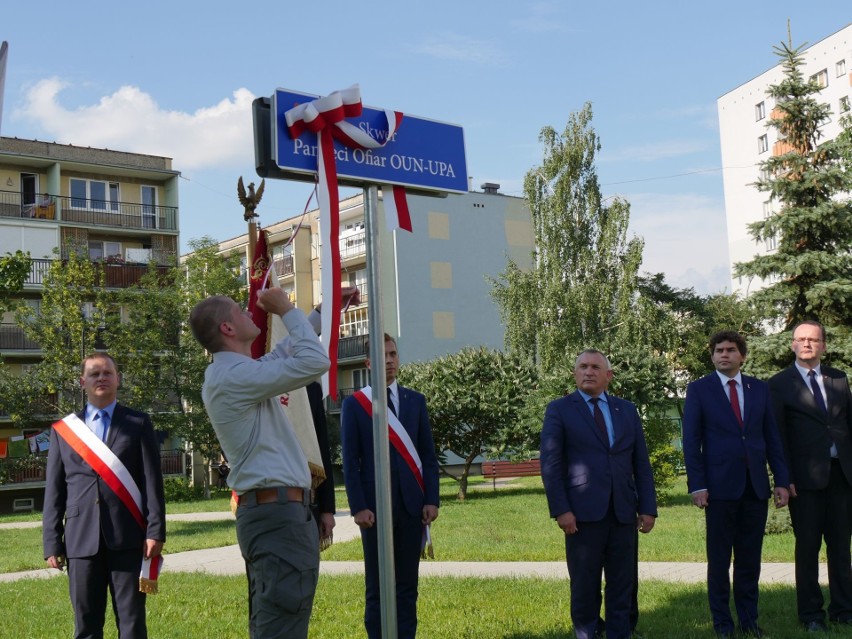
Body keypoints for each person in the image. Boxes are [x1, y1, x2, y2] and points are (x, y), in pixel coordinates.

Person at [189, 288, 329, 639]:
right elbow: (314, 362)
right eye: (240, 311)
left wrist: (320, 313)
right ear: (228, 329)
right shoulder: (233, 377)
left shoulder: (234, 373)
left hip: (274, 514)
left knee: (276, 619)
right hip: (278, 518)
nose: (250, 313)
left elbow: (283, 352)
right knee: (282, 624)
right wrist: (284, 309)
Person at [43, 352, 166, 639]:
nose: (102, 378)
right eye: (95, 374)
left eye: (107, 373)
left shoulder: (137, 423)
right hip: (80, 540)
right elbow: (54, 489)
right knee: (86, 624)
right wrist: (51, 540)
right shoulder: (64, 430)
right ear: (82, 381)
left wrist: (156, 530)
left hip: (128, 538)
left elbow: (152, 481)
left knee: (132, 623)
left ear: (118, 379)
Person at [540, 349, 657, 639]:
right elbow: (551, 465)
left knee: (622, 582)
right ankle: (586, 632)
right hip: (581, 513)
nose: (588, 372)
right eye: (582, 367)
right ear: (574, 373)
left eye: (595, 367)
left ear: (609, 376)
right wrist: (561, 509)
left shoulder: (626, 410)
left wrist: (648, 507)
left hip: (622, 511)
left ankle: (620, 633)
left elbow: (640, 462)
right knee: (584, 582)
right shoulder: (560, 409)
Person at [682, 330, 790, 638]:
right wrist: (697, 484)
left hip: (754, 487)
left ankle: (749, 622)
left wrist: (781, 480)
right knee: (719, 562)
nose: (723, 354)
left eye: (730, 349)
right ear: (713, 356)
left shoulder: (759, 389)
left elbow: (772, 438)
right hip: (717, 488)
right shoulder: (699, 389)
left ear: (741, 355)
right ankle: (723, 625)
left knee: (749, 561)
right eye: (718, 350)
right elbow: (692, 442)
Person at [341, 333, 440, 639]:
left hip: (412, 507)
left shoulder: (415, 401)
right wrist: (358, 506)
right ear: (369, 363)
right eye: (383, 356)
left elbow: (427, 455)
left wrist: (431, 499)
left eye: (394, 354)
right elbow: (350, 461)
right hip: (374, 509)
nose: (389, 360)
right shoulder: (355, 405)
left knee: (408, 585)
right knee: (378, 585)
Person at [769, 320, 852, 632]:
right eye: (801, 339)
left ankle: (843, 610)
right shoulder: (779, 384)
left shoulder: (839, 379)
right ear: (792, 344)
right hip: (803, 482)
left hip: (841, 477)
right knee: (807, 549)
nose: (807, 344)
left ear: (823, 346)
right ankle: (811, 615)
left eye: (813, 340)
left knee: (841, 548)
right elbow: (777, 435)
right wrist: (782, 477)